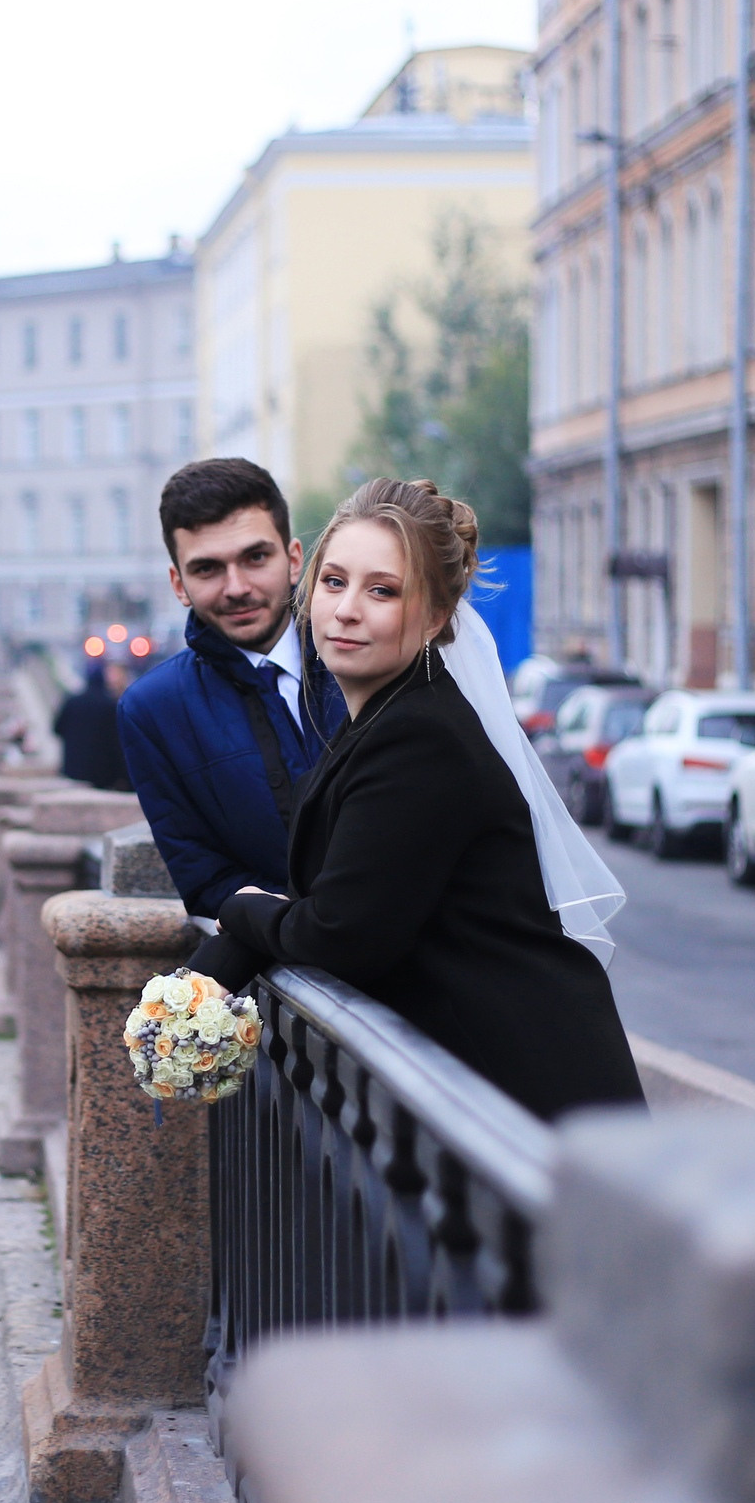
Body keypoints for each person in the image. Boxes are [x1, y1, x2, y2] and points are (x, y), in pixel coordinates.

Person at [190, 477, 644, 1122]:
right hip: (492, 1086)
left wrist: (241, 910)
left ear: (435, 618)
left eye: (383, 590)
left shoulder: (421, 738)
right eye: (333, 581)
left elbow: (340, 935)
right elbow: (353, 898)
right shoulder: (387, 716)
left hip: (529, 1095)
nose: (347, 609)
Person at [117, 459, 350, 916]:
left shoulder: (365, 657)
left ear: (295, 558)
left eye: (255, 557)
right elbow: (203, 877)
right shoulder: (152, 711)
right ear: (178, 584)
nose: (236, 587)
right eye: (207, 569)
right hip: (293, 967)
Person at [53, 656, 131, 790]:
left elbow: (56, 729)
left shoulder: (72, 701)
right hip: (101, 775)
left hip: (72, 770)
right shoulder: (110, 705)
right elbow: (117, 743)